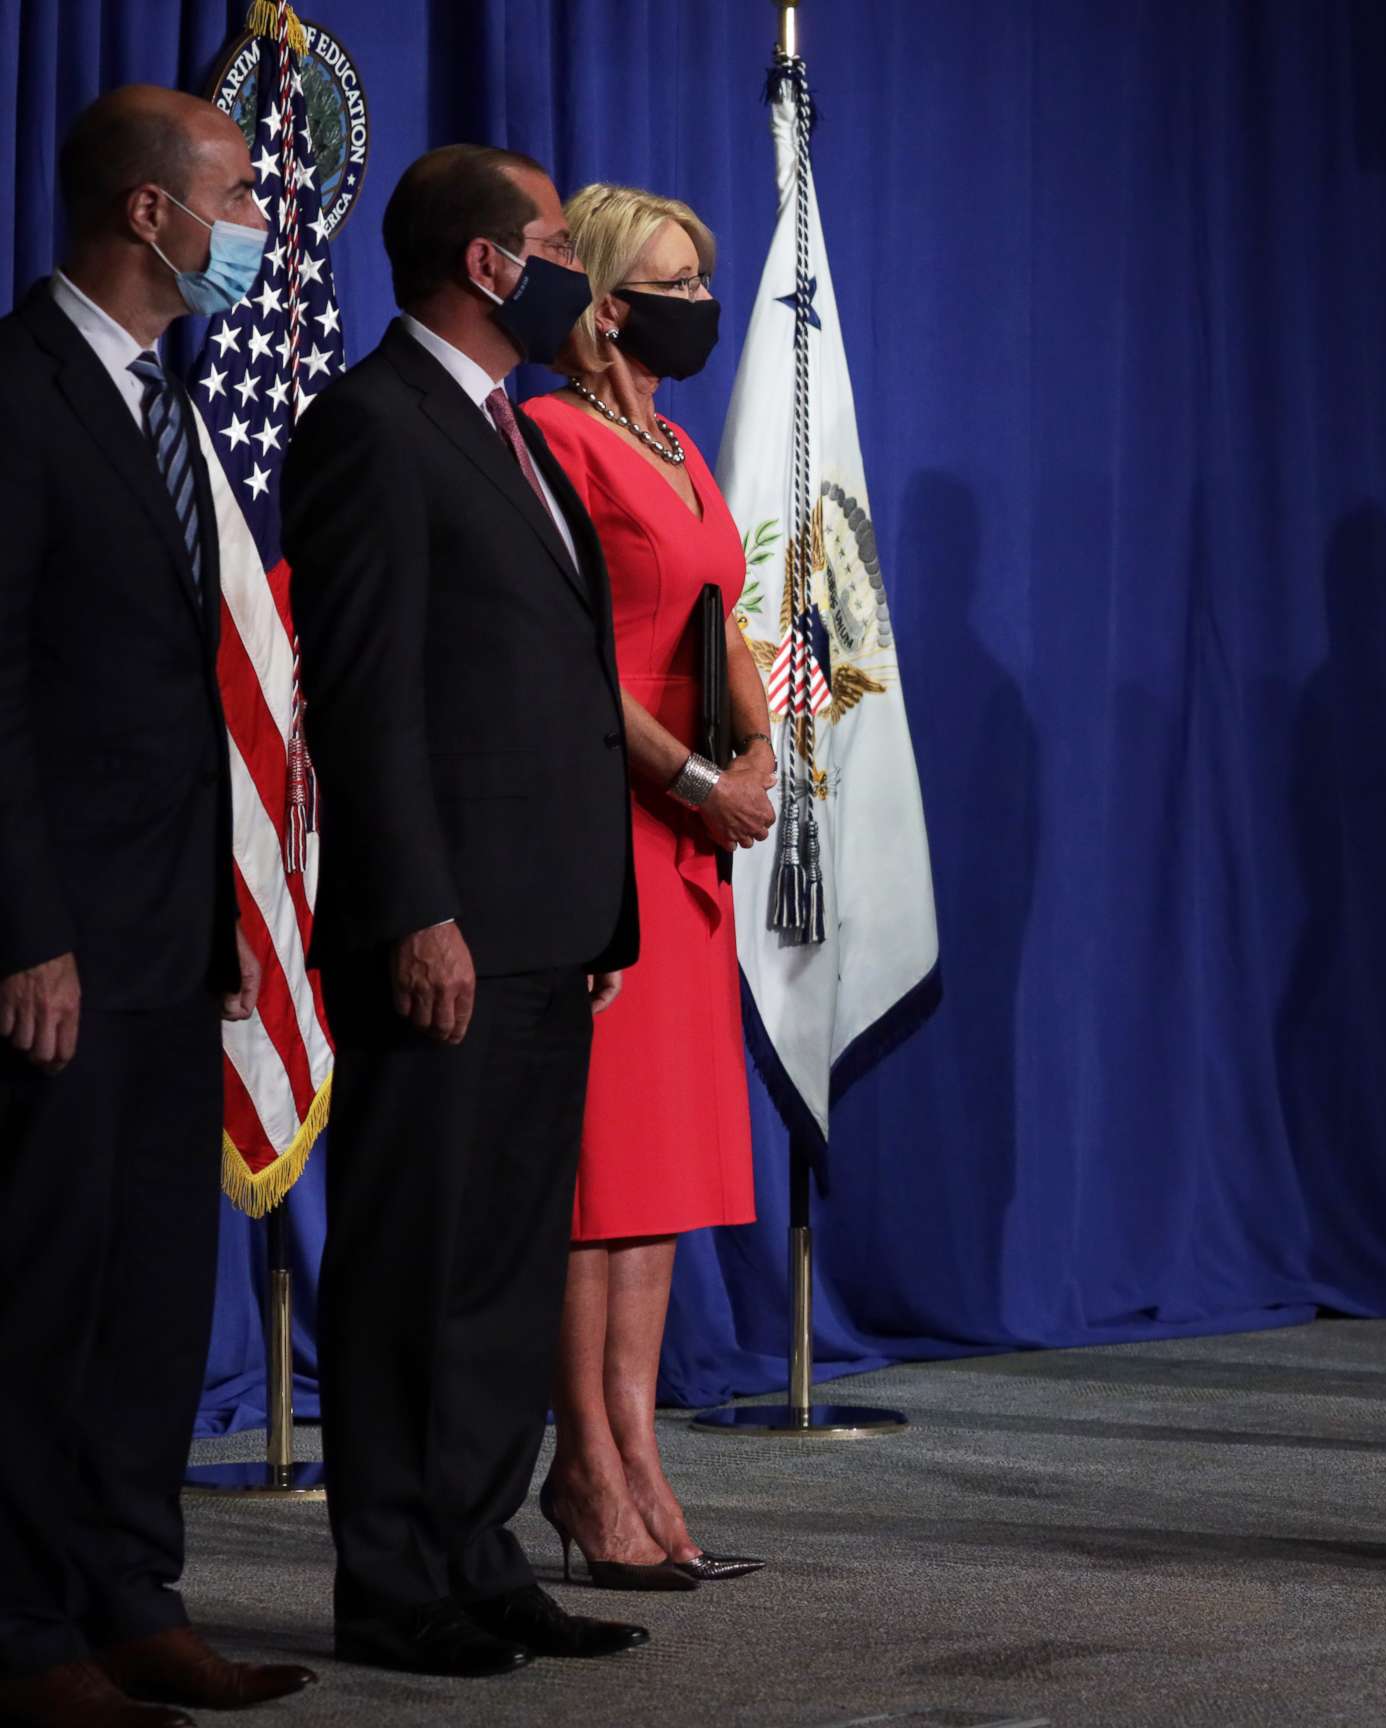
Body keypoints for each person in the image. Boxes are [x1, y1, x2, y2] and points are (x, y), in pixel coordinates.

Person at [284, 143, 647, 1677]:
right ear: (491, 265)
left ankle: (477, 1548)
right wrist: (416, 909)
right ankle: (393, 1579)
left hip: (546, 926)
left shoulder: (522, 434)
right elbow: (366, 702)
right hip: (443, 932)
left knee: (501, 1260)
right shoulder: (372, 425)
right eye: (557, 240)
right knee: (414, 1257)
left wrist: (594, 917)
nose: (577, 265)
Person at [0, 85, 315, 1728]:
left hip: (175, 938)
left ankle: (135, 1596)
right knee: (43, 1297)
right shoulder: (19, 386)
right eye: (242, 191)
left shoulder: (170, 398)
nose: (258, 221)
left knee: (147, 1294)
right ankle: (24, 1625)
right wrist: (24, 923)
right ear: (148, 213)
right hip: (59, 947)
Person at [522, 183, 774, 1588]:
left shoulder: (672, 440)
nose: (697, 304)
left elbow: (712, 613)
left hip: (694, 849)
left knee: (660, 1181)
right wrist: (693, 777)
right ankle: (586, 1469)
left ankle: (641, 1460)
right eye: (673, 280)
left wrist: (762, 740)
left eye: (703, 278)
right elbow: (571, 652)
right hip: (607, 831)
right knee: (597, 1180)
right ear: (607, 300)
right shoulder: (555, 438)